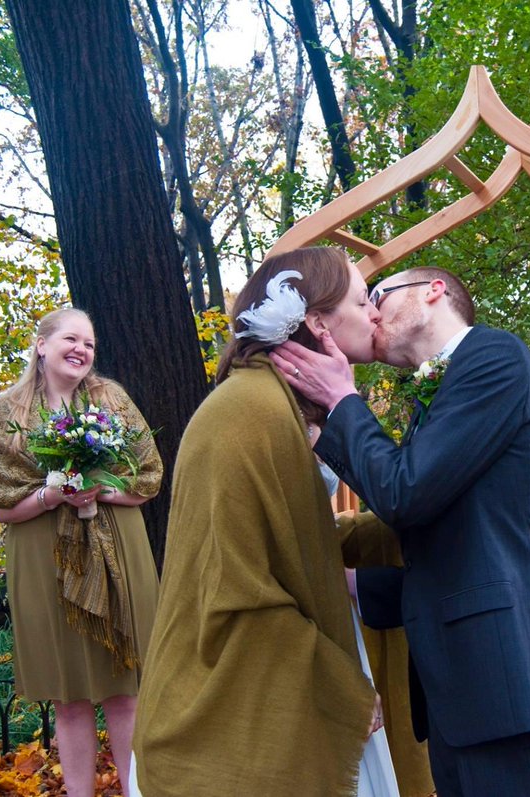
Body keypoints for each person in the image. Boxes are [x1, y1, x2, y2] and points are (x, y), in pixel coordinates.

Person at [271, 267, 530, 797]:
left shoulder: (494, 357)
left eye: (379, 296)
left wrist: (342, 402)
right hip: (462, 675)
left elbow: (406, 491)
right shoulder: (445, 386)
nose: (372, 313)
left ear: (432, 292)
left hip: (499, 669)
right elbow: (445, 524)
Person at [131, 247, 407, 797]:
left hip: (306, 653)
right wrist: (339, 686)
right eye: (361, 300)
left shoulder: (280, 406)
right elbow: (233, 584)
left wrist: (406, 524)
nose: (375, 312)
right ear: (317, 321)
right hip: (242, 702)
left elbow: (296, 537)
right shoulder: (245, 413)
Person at [0, 307, 162, 796]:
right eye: (71, 339)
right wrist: (51, 494)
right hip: (43, 555)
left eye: (90, 343)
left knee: (126, 690)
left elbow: (148, 477)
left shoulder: (111, 399)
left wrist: (98, 489)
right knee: (69, 697)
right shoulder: (8, 412)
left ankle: (135, 790)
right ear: (41, 345)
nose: (82, 350)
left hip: (117, 544)